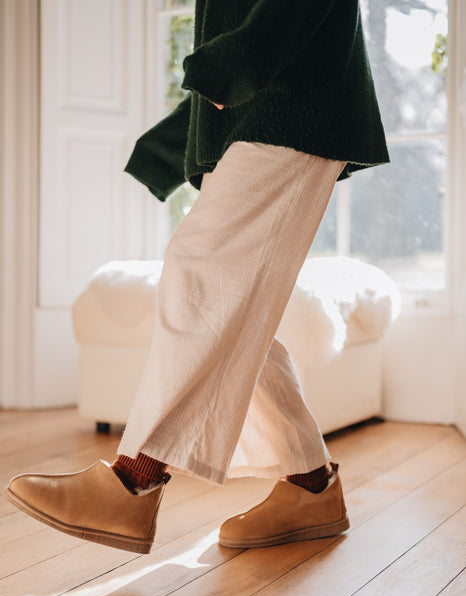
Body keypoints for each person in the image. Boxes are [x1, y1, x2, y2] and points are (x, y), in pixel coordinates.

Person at [4, 0, 389, 554]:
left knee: (202, 275)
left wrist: (232, 65)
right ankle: (311, 487)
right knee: (233, 304)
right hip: (260, 107)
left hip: (294, 101)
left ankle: (134, 480)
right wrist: (172, 141)